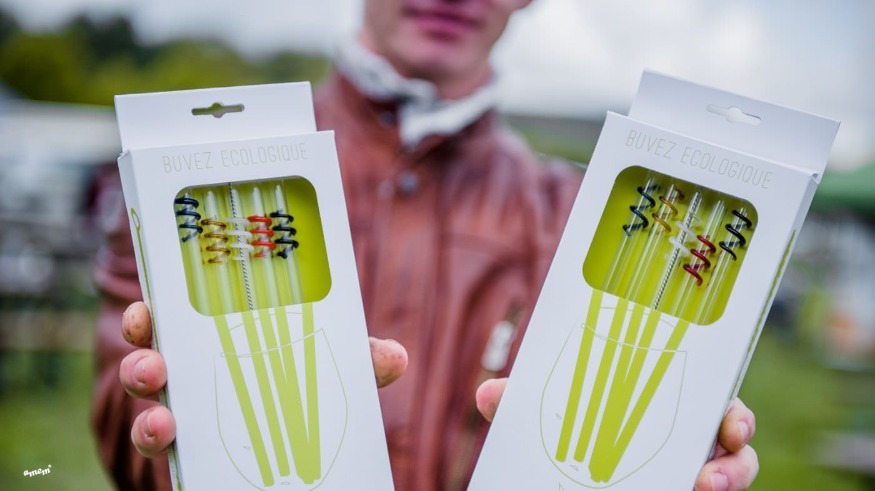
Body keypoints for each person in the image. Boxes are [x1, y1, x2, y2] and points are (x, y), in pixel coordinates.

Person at [93, 1, 760, 490]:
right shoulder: (190, 175)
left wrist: (675, 457)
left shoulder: (580, 214)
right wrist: (184, 450)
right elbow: (125, 425)